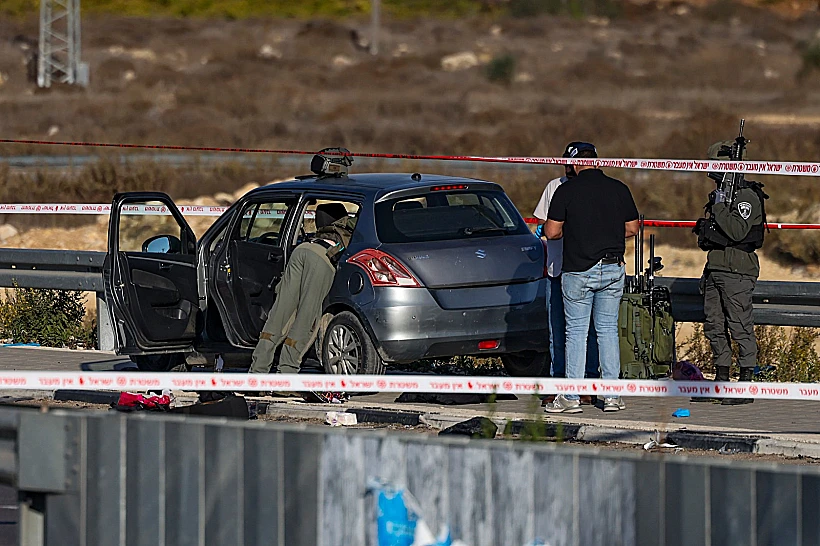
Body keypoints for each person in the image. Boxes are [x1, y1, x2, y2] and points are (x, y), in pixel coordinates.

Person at [543, 142, 640, 413]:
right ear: (598, 161)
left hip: (578, 270)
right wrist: (605, 233)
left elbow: (551, 232)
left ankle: (571, 397)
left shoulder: (566, 190)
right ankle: (612, 396)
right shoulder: (619, 188)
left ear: (574, 164)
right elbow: (633, 227)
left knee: (576, 333)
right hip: (612, 268)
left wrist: (577, 232)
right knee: (607, 331)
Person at [694, 141, 767, 406]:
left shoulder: (745, 196)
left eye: (715, 167)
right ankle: (722, 377)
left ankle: (746, 381)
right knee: (714, 324)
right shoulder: (720, 195)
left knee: (739, 326)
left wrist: (720, 206)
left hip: (737, 269)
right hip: (716, 267)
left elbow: (737, 231)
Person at [533, 142, 602, 406]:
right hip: (558, 269)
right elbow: (544, 224)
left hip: (588, 268)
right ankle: (559, 381)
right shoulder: (555, 187)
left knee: (593, 332)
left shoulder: (600, 189)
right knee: (558, 331)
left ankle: (587, 381)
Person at [249, 204, 356, 375]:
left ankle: (257, 373)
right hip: (322, 258)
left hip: (302, 250)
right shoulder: (351, 227)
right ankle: (286, 376)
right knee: (306, 318)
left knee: (279, 314)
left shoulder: (324, 226)